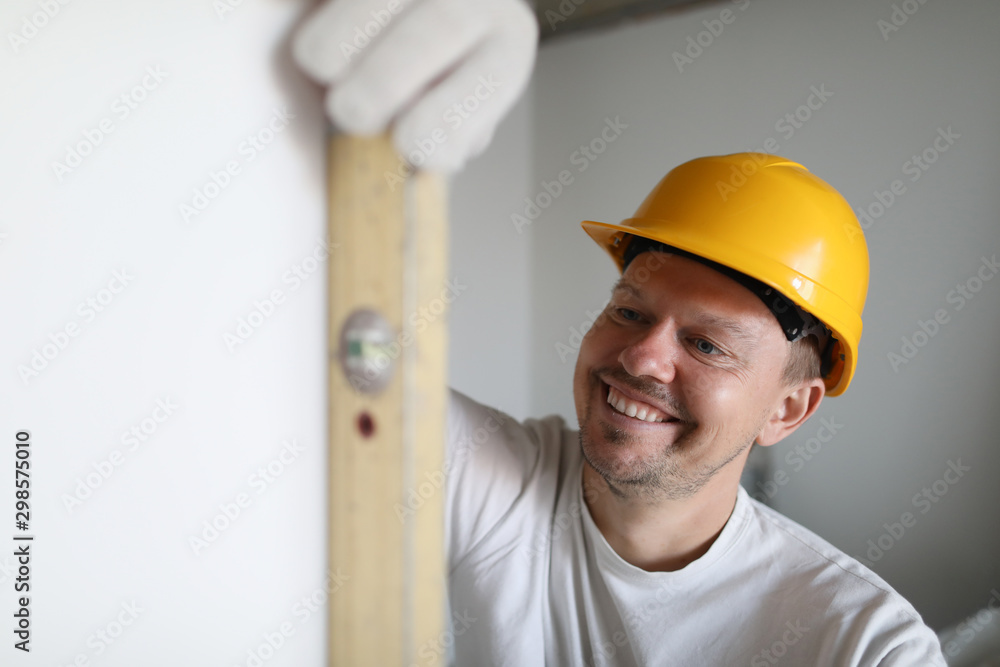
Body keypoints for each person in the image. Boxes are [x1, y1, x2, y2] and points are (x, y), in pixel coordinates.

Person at [293, 3, 947, 664]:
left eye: (706, 345)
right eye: (630, 311)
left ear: (787, 407)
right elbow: (329, 364)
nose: (641, 355)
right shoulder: (499, 482)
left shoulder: (865, 642)